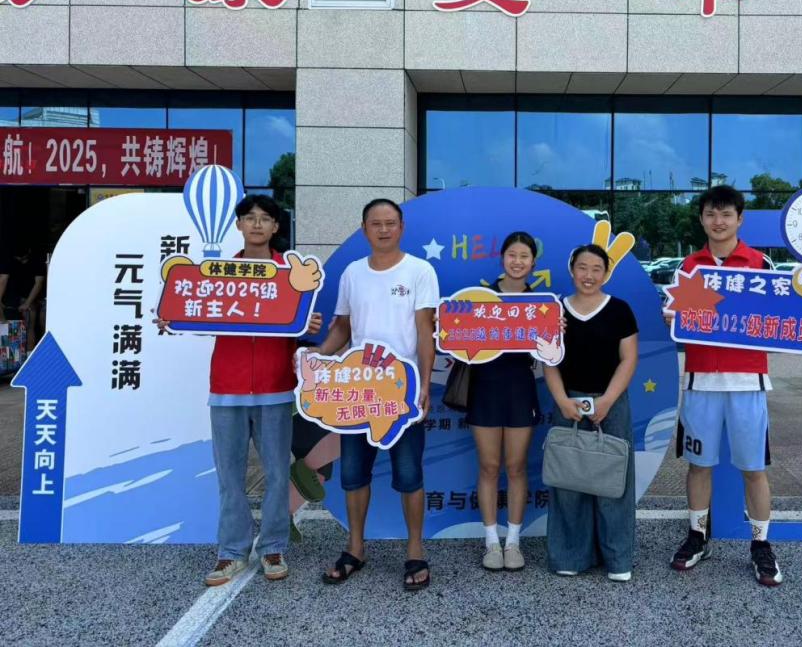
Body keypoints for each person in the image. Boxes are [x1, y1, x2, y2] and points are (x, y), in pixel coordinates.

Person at [668, 185, 802, 587]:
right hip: (700, 380)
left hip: (748, 381)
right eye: (711, 214)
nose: (718, 221)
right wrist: (671, 315)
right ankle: (697, 536)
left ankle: (761, 544)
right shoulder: (689, 267)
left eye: (726, 214)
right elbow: (676, 318)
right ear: (701, 219)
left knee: (754, 469)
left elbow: (786, 314)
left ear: (740, 219)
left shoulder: (760, 264)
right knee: (699, 465)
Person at [196, 195, 323, 586]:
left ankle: (272, 547)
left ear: (276, 227)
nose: (256, 224)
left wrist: (308, 325)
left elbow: (301, 327)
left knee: (277, 473)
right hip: (227, 387)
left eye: (265, 218)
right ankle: (231, 552)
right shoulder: (217, 274)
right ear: (238, 225)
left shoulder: (293, 274)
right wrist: (174, 316)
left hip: (275, 387)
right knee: (229, 476)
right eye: (249, 218)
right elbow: (194, 312)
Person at [317, 198, 439, 591]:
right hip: (357, 392)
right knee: (353, 473)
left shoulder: (419, 271)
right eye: (376, 223)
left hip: (403, 392)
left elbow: (425, 332)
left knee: (409, 473)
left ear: (402, 227)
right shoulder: (353, 273)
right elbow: (342, 328)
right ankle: (355, 548)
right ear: (364, 229)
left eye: (390, 223)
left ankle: (415, 550)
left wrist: (424, 384)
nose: (384, 230)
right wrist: (316, 359)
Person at [542, 244, 639, 582]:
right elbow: (549, 360)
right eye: (582, 267)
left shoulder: (620, 310)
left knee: (614, 482)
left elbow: (628, 359)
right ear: (572, 270)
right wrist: (561, 400)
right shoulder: (555, 311)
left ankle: (618, 559)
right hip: (567, 404)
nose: (589, 275)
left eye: (597, 269)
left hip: (611, 404)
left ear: (606, 273)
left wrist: (608, 400)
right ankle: (569, 555)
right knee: (568, 482)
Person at [461, 231, 543, 572]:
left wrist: (557, 331)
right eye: (512, 255)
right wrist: (448, 324)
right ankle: (491, 542)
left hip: (521, 388)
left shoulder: (543, 303)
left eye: (524, 256)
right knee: (489, 467)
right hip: (484, 387)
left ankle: (514, 542)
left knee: (517, 467)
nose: (517, 261)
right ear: (502, 258)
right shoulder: (480, 299)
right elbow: (457, 338)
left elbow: (551, 354)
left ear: (533, 263)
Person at [0, 240, 46, 350]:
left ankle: (37, 352)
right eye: (19, 259)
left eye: (23, 259)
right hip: (23, 297)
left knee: (41, 323)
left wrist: (27, 303)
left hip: (39, 298)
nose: (21, 261)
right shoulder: (12, 262)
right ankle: (27, 354)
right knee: (29, 324)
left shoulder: (38, 262)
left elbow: (39, 283)